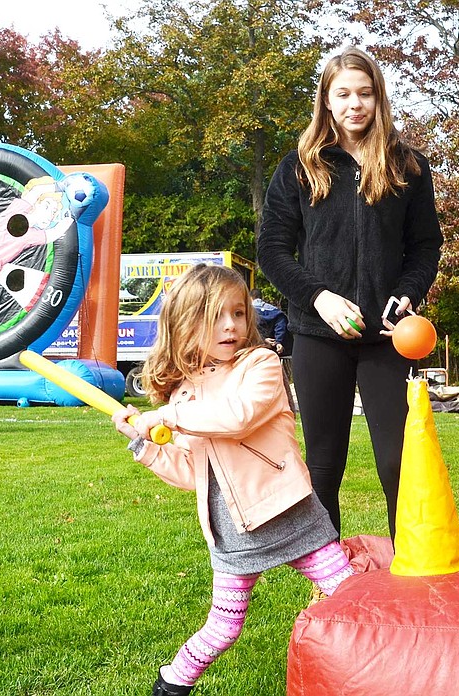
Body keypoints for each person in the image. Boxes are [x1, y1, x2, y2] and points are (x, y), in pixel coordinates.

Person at [112, 264, 354, 696]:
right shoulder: (183, 394)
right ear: (186, 324)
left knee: (347, 593)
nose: (231, 325)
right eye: (216, 316)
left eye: (239, 313)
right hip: (231, 532)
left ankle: (373, 668)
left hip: (288, 512)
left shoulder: (260, 365)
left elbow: (236, 418)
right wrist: (145, 444)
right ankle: (171, 683)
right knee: (223, 626)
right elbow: (192, 472)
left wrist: (166, 416)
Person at [257, 46, 443, 542]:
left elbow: (426, 246)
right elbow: (272, 250)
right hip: (318, 335)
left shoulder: (408, 166)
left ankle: (415, 567)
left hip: (386, 339)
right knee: (322, 466)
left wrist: (407, 293)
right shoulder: (298, 167)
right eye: (343, 94)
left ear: (378, 97)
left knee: (398, 464)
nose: (354, 103)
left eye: (364, 93)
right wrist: (317, 296)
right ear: (326, 100)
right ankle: (328, 579)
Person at [249, 287, 291, 356]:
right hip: (275, 348)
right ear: (261, 297)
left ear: (250, 298)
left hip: (257, 348)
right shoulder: (274, 310)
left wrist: (263, 340)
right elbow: (281, 323)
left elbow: (251, 329)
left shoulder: (249, 311)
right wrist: (278, 341)